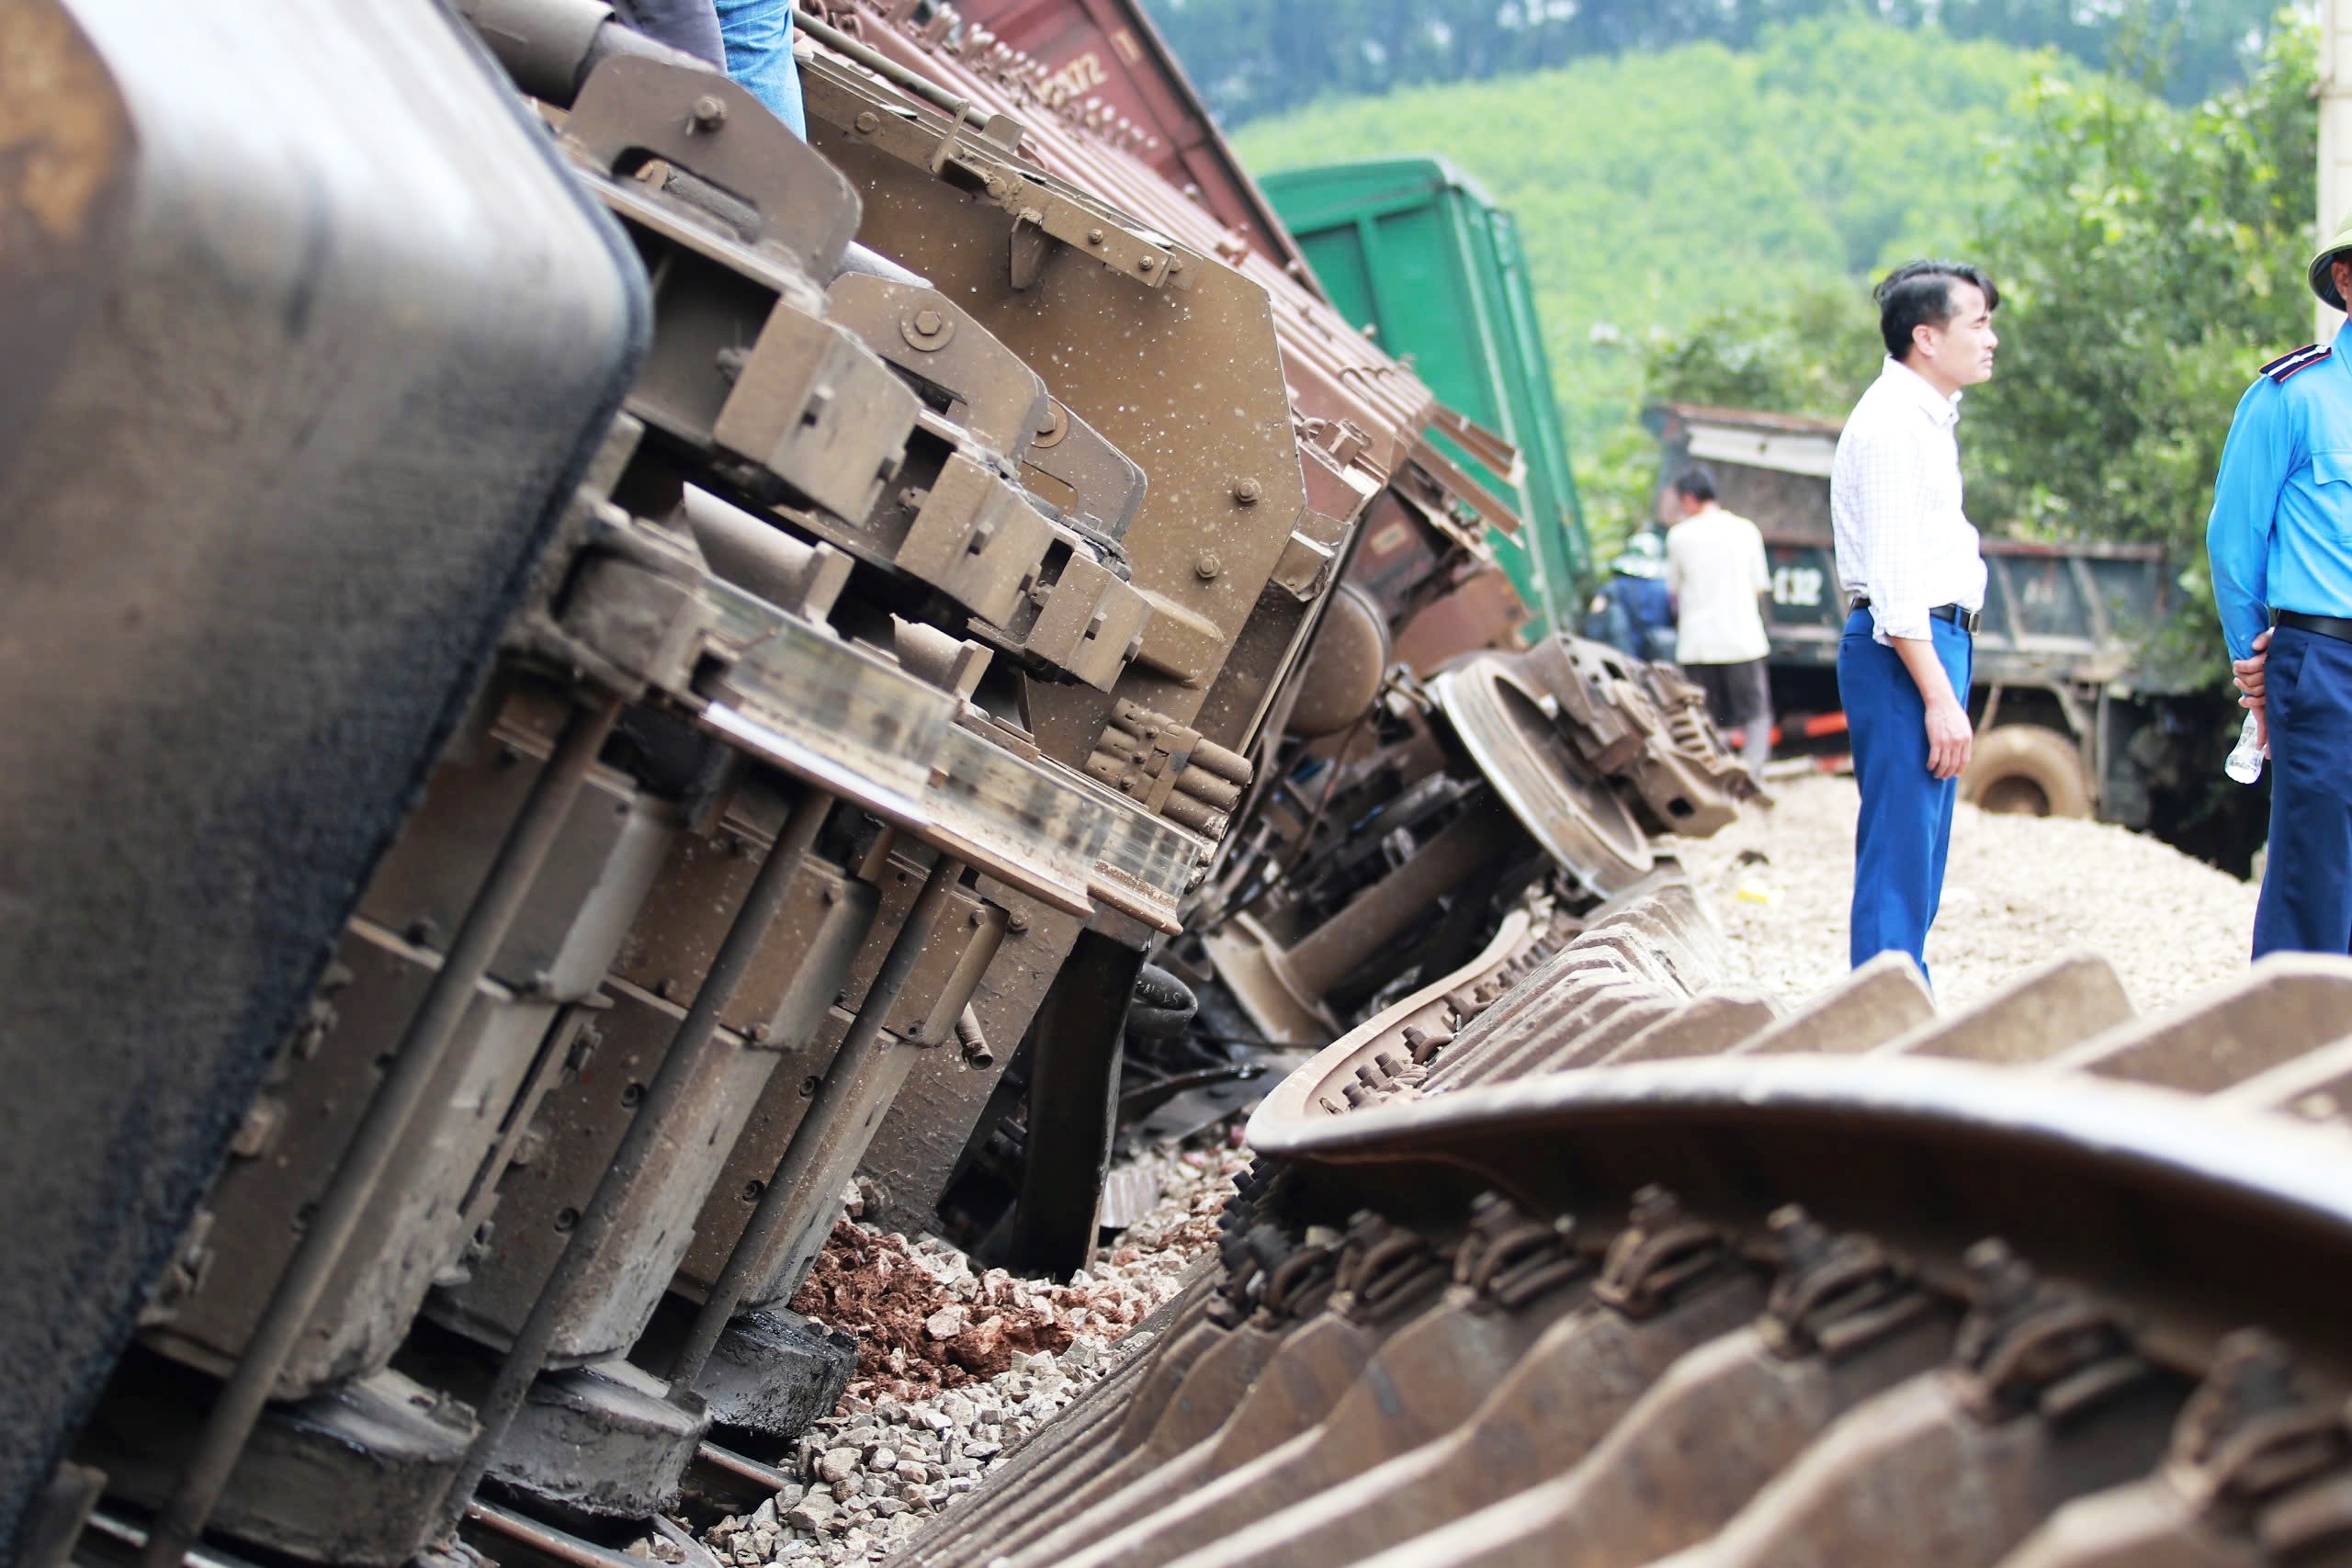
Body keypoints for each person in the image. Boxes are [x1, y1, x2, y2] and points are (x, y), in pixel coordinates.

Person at [1829, 259, 1999, 982]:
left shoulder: (1925, 419)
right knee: (1901, 845)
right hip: (1905, 647)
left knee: (1919, 846)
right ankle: (1881, 1017)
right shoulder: (1894, 424)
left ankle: (1896, 1002)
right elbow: (1896, 585)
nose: (1992, 339)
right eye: (1979, 324)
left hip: (1927, 642)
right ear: (1926, 337)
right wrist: (1937, 697)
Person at [2205, 211, 2352, 957]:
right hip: (2322, 660)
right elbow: (2234, 543)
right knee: (2316, 865)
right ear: (2347, 282)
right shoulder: (2292, 394)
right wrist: (2254, 662)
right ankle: (2296, 1042)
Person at [1664, 465, 1774, 773]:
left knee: (1704, 715)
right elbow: (1759, 587)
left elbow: (1673, 590)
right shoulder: (1746, 530)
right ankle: (1751, 772)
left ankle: (1716, 770)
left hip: (1698, 642)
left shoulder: (1679, 537)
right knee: (1756, 713)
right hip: (1742, 640)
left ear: (1688, 499)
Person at [1581, 533, 1677, 663]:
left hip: (1625, 658)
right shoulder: (1666, 587)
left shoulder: (1613, 586)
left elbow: (1595, 619)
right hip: (1662, 658)